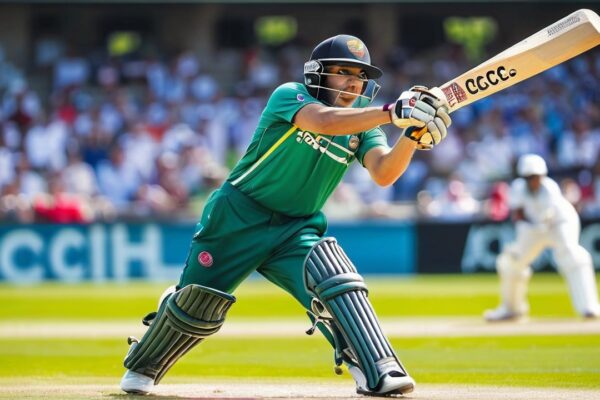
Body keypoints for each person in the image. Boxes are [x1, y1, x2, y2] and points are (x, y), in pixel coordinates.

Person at [119, 34, 451, 396]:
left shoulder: (363, 126)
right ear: (317, 74)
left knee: (334, 279)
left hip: (296, 227)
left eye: (360, 75)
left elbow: (385, 172)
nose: (354, 82)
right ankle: (147, 357)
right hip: (238, 216)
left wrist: (412, 136)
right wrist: (393, 113)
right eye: (343, 72)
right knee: (196, 306)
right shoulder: (290, 95)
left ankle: (375, 369)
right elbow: (322, 122)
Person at [484, 154, 600, 322]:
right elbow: (518, 215)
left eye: (537, 177)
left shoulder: (550, 188)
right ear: (523, 178)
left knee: (572, 255)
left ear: (543, 176)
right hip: (533, 227)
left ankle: (589, 306)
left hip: (559, 224)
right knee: (511, 262)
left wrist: (533, 227)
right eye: (530, 177)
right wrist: (524, 237)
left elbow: (547, 218)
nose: (534, 181)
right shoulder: (517, 189)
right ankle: (512, 309)